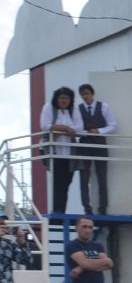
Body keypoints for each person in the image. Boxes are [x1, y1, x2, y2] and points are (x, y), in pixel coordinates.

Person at [74, 83, 117, 215]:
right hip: (84, 145)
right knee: (84, 178)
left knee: (102, 177)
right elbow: (75, 127)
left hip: (100, 144)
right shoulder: (77, 109)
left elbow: (112, 125)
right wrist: (86, 132)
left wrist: (99, 131)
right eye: (82, 94)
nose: (85, 96)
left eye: (87, 93)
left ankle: (102, 208)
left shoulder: (104, 107)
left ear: (92, 94)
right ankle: (87, 208)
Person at [39, 86, 82, 216]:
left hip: (69, 151)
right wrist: (65, 128)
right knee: (58, 181)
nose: (64, 100)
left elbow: (79, 127)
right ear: (57, 99)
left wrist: (59, 129)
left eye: (67, 98)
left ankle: (61, 210)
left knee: (67, 182)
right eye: (62, 97)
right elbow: (45, 125)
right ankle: (58, 211)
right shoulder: (49, 107)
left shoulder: (73, 109)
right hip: (54, 151)